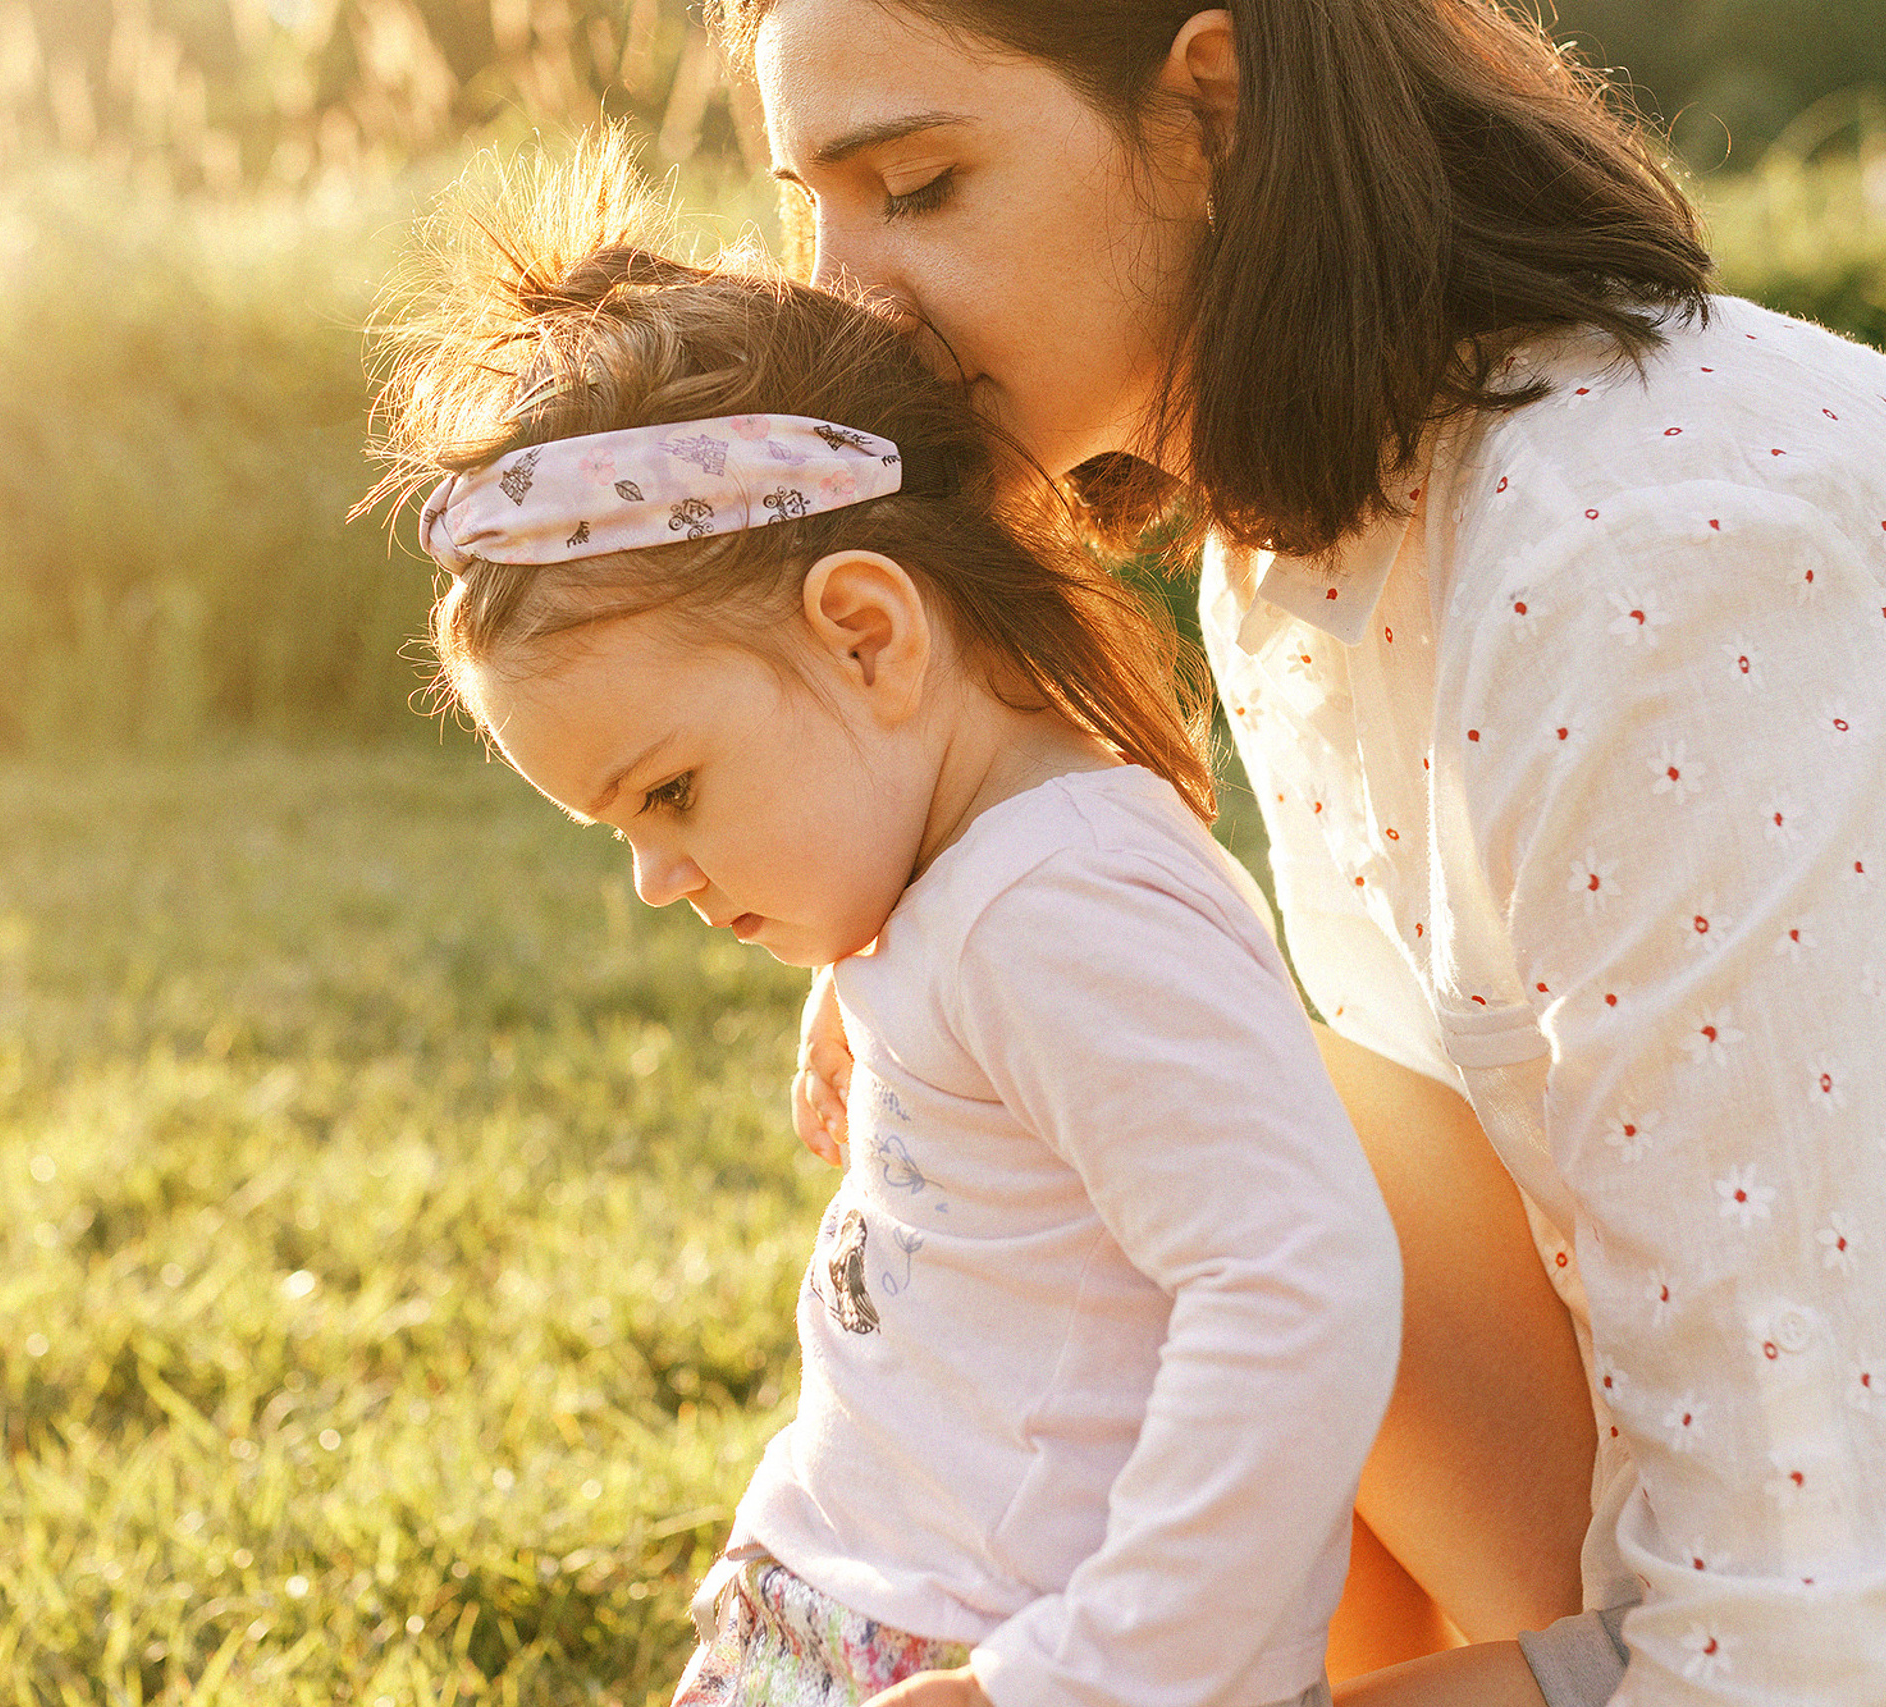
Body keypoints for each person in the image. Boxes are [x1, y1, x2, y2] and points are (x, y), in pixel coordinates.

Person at [720, 0, 1886, 1700]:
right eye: (806, 202)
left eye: (917, 183)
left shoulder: (1641, 563)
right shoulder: (1294, 563)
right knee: (1168, 1093)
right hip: (1716, 1555)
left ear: (1212, 108)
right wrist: (968, 926)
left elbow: (1806, 1625)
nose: (846, 293)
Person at [367, 141, 1415, 1707]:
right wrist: (868, 963)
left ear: (866, 636)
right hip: (863, 1616)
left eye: (670, 793)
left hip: (994, 1656)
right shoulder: (976, 886)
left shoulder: (1063, 912)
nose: (657, 880)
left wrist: (1083, 1678)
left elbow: (1295, 1284)